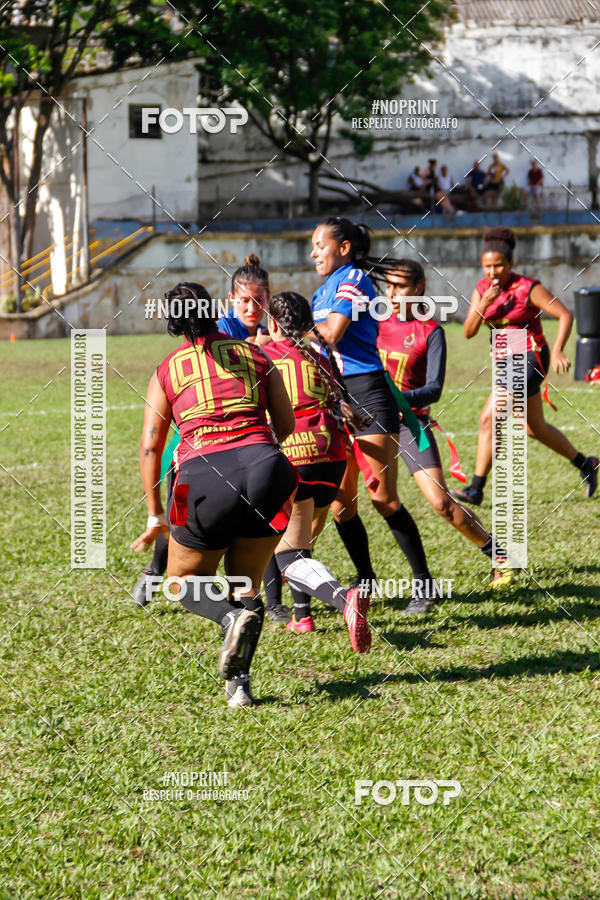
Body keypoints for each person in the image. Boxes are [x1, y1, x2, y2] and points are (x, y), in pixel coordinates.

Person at [131, 281, 297, 708]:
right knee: (247, 583)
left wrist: (155, 514)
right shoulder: (255, 354)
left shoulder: (168, 367)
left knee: (181, 581)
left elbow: (151, 446)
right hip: (268, 469)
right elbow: (287, 424)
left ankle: (228, 619)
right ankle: (239, 686)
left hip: (198, 478)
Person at [310, 216, 437, 608]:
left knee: (382, 497)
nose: (314, 252)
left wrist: (291, 331)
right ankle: (366, 580)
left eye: (321, 245)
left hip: (368, 395)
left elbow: (331, 334)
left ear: (344, 248)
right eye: (312, 246)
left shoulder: (353, 280)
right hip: (336, 397)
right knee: (341, 502)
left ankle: (424, 583)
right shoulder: (320, 292)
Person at [378, 258, 514, 592]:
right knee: (334, 503)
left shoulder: (431, 331)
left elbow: (434, 389)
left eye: (401, 286)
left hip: (412, 423)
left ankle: (498, 554)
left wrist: (393, 398)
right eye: (389, 286)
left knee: (442, 503)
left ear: (419, 288)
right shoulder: (372, 323)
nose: (392, 293)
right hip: (369, 424)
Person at [452, 227, 598, 508]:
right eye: (487, 267)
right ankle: (586, 462)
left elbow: (564, 315)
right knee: (534, 427)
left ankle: (476, 488)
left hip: (530, 356)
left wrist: (557, 349)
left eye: (499, 266)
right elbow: (469, 331)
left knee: (488, 418)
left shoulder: (528, 288)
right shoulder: (482, 289)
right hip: (504, 359)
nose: (493, 272)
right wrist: (484, 303)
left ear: (510, 264)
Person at [261, 291, 371, 649]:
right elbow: (341, 403)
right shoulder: (321, 356)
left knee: (285, 552)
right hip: (333, 456)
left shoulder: (263, 356)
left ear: (274, 324)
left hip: (296, 455)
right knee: (302, 539)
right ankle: (302, 616)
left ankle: (344, 599)